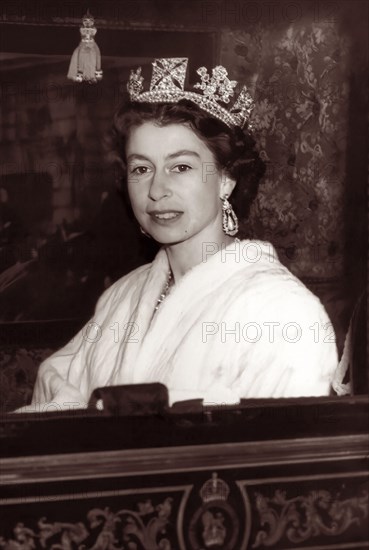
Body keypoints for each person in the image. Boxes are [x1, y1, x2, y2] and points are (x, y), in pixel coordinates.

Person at [28, 58, 338, 412]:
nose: (157, 189)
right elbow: (58, 391)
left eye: (181, 167)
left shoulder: (280, 311)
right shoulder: (123, 294)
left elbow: (275, 453)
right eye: (141, 168)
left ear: (226, 178)